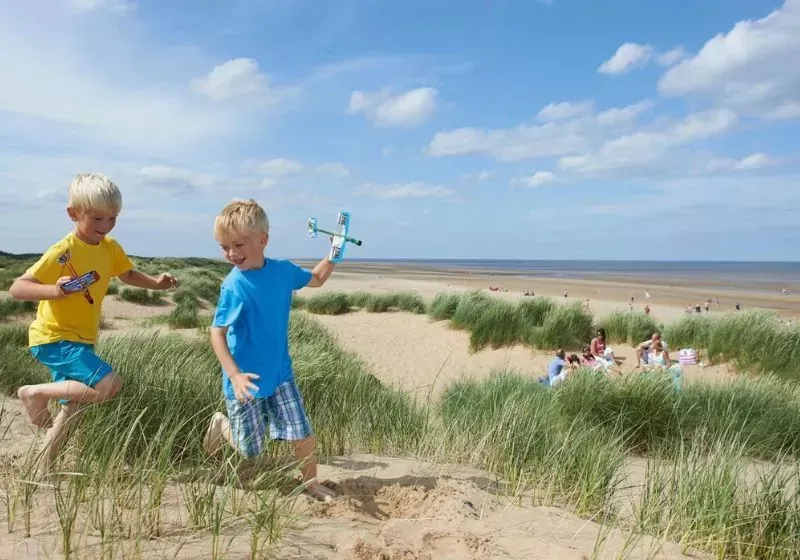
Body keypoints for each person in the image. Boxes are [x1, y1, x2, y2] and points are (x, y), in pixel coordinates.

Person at [9, 173, 178, 471]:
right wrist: (55, 291)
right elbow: (18, 288)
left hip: (80, 339)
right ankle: (33, 393)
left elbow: (126, 274)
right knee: (110, 385)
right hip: (54, 338)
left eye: (112, 218)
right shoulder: (64, 251)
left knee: (74, 406)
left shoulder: (110, 248)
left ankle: (42, 467)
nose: (105, 226)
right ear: (74, 213)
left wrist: (156, 283)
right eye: (97, 219)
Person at [201, 198, 338, 503]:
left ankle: (312, 484)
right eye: (224, 247)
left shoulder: (283, 271)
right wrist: (234, 375)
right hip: (245, 380)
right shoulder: (233, 286)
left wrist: (333, 253)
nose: (231, 254)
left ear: (262, 240)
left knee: (302, 432)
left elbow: (316, 280)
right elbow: (217, 332)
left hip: (280, 374)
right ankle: (220, 424)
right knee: (250, 449)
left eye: (238, 244)